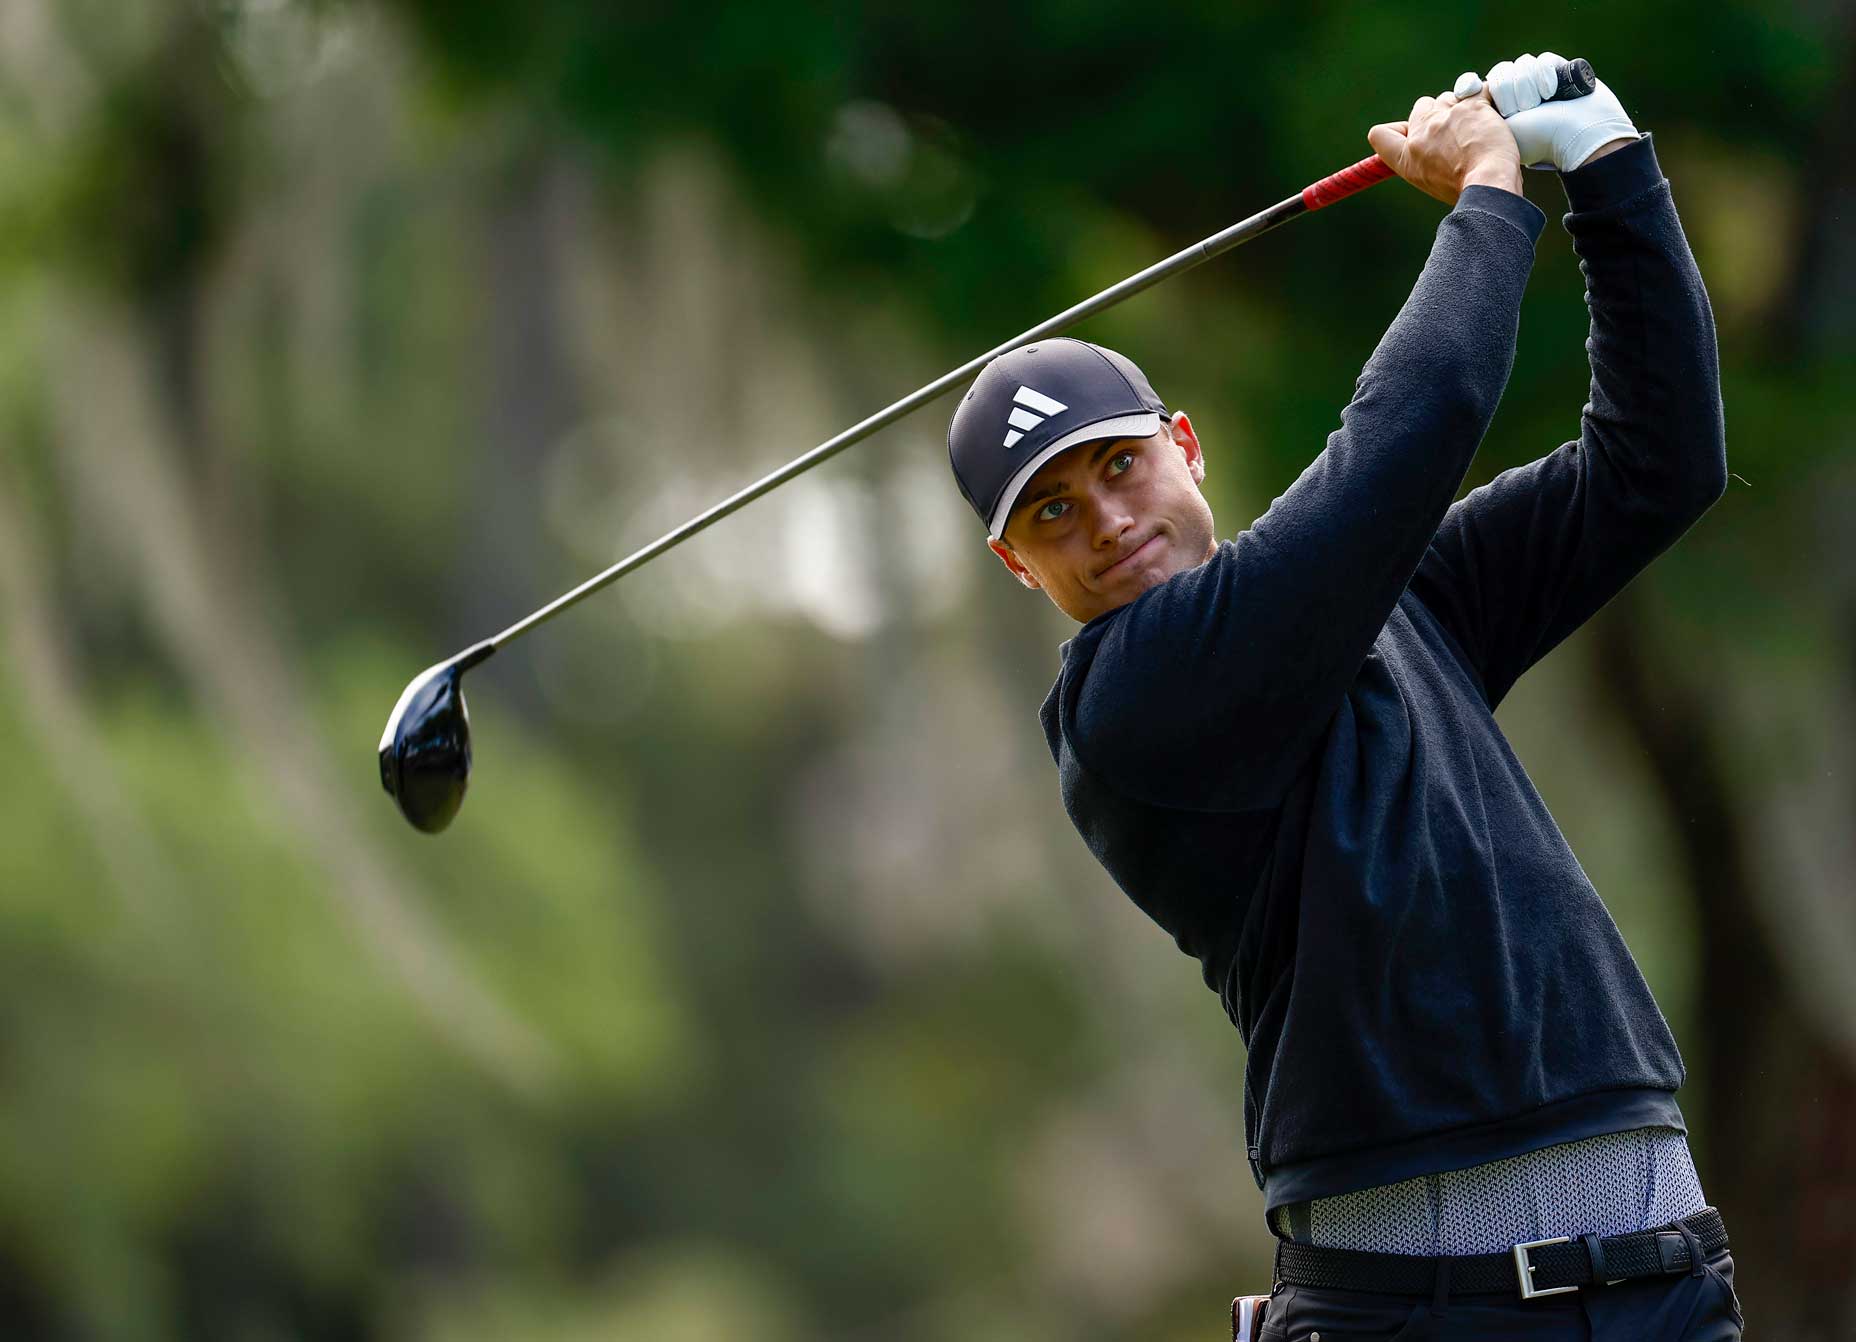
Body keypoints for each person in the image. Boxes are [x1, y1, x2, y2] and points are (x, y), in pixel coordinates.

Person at [946, 53, 1739, 1340]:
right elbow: (1409, 423)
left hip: (1658, 1284)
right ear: (1016, 566)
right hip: (1416, 1315)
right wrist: (1487, 192)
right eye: (1050, 510)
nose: (1102, 518)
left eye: (1116, 465)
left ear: (1184, 446)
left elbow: (1658, 464)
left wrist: (1603, 164)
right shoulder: (1131, 704)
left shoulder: (1391, 602)